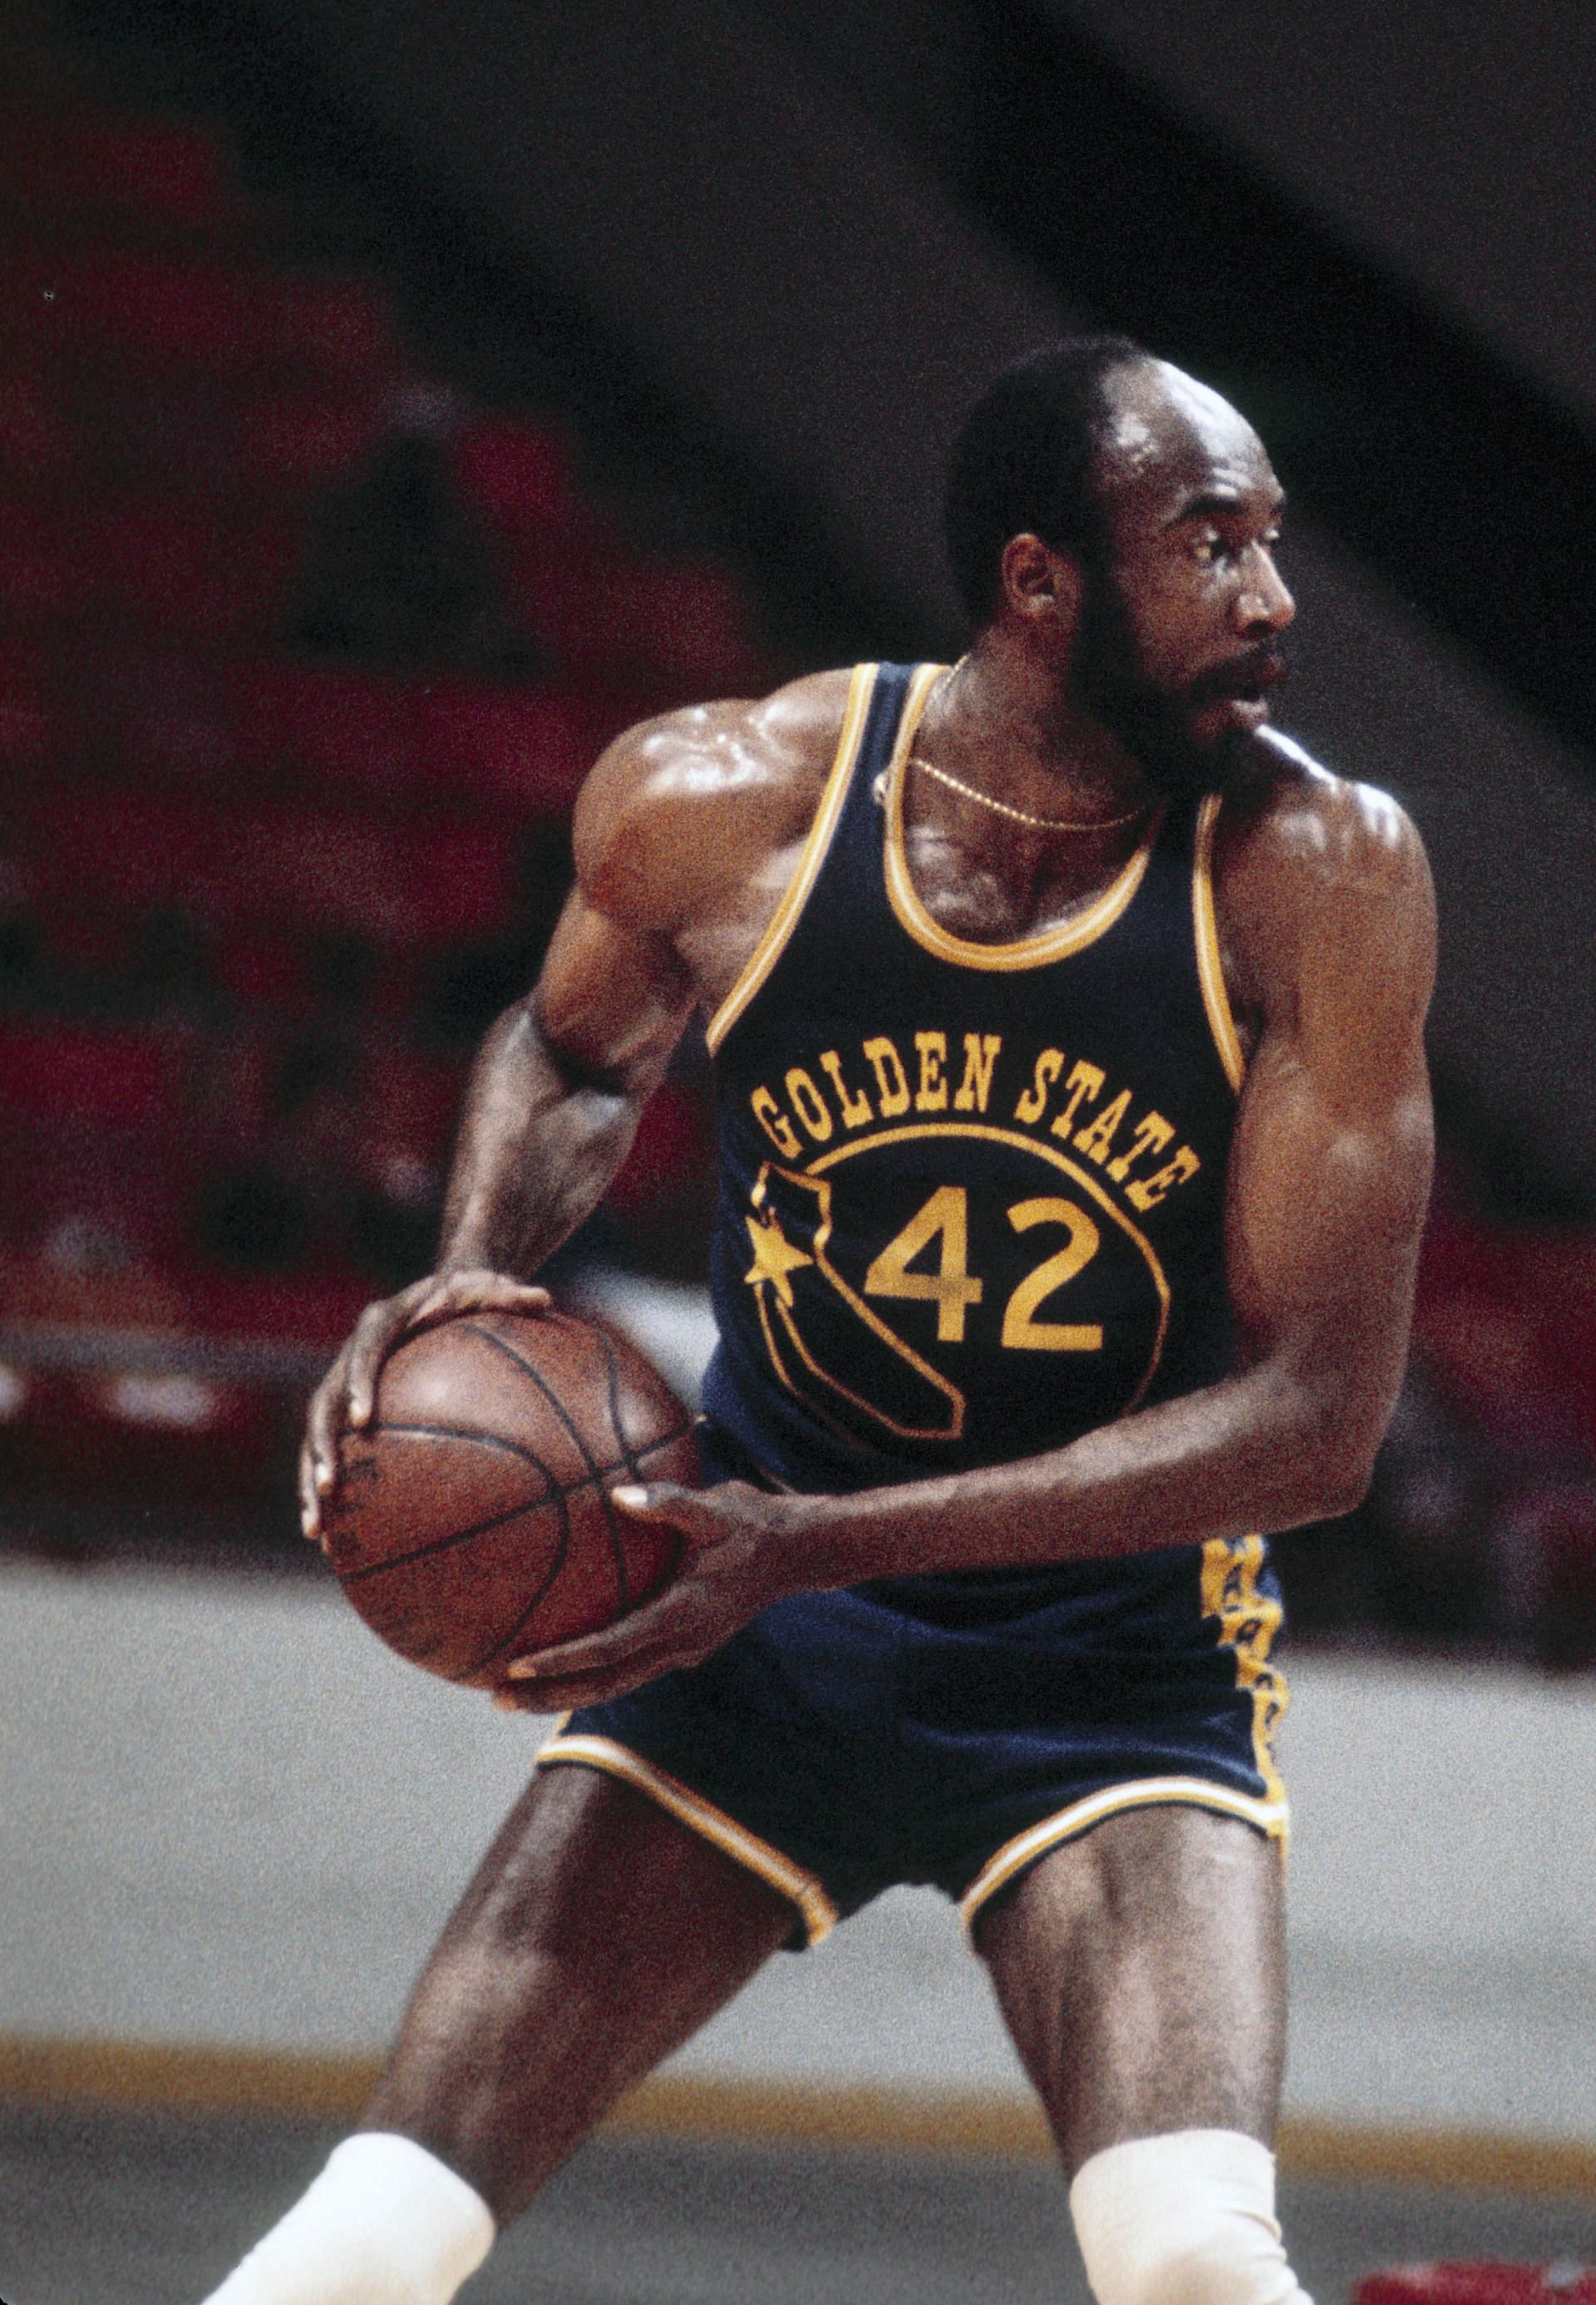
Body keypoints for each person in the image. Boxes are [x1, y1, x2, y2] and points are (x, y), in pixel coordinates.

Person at [203, 337, 1436, 2305]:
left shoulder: (1317, 873)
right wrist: (473, 1269)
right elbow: (567, 1048)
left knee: (1198, 2259)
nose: (1275, 601)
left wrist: (814, 1547)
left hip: (1100, 1661)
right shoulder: (731, 799)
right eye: (1214, 546)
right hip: (741, 1651)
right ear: (1043, 583)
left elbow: (1314, 1427)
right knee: (347, 2251)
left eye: (1272, 543)